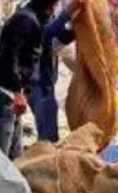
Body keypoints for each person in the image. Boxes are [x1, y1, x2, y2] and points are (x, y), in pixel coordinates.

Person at [0, 0, 58, 159]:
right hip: (1, 93)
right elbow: (9, 55)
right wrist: (18, 92)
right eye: (53, 6)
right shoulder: (25, 21)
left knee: (14, 159)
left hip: (8, 95)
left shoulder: (33, 20)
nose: (53, 11)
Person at [28, 2, 78, 142]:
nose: (53, 9)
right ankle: (46, 160)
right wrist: (66, 14)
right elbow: (47, 33)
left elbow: (57, 38)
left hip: (45, 83)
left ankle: (47, 155)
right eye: (52, 5)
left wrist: (76, 28)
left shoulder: (43, 17)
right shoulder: (29, 17)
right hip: (37, 84)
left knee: (49, 130)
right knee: (48, 134)